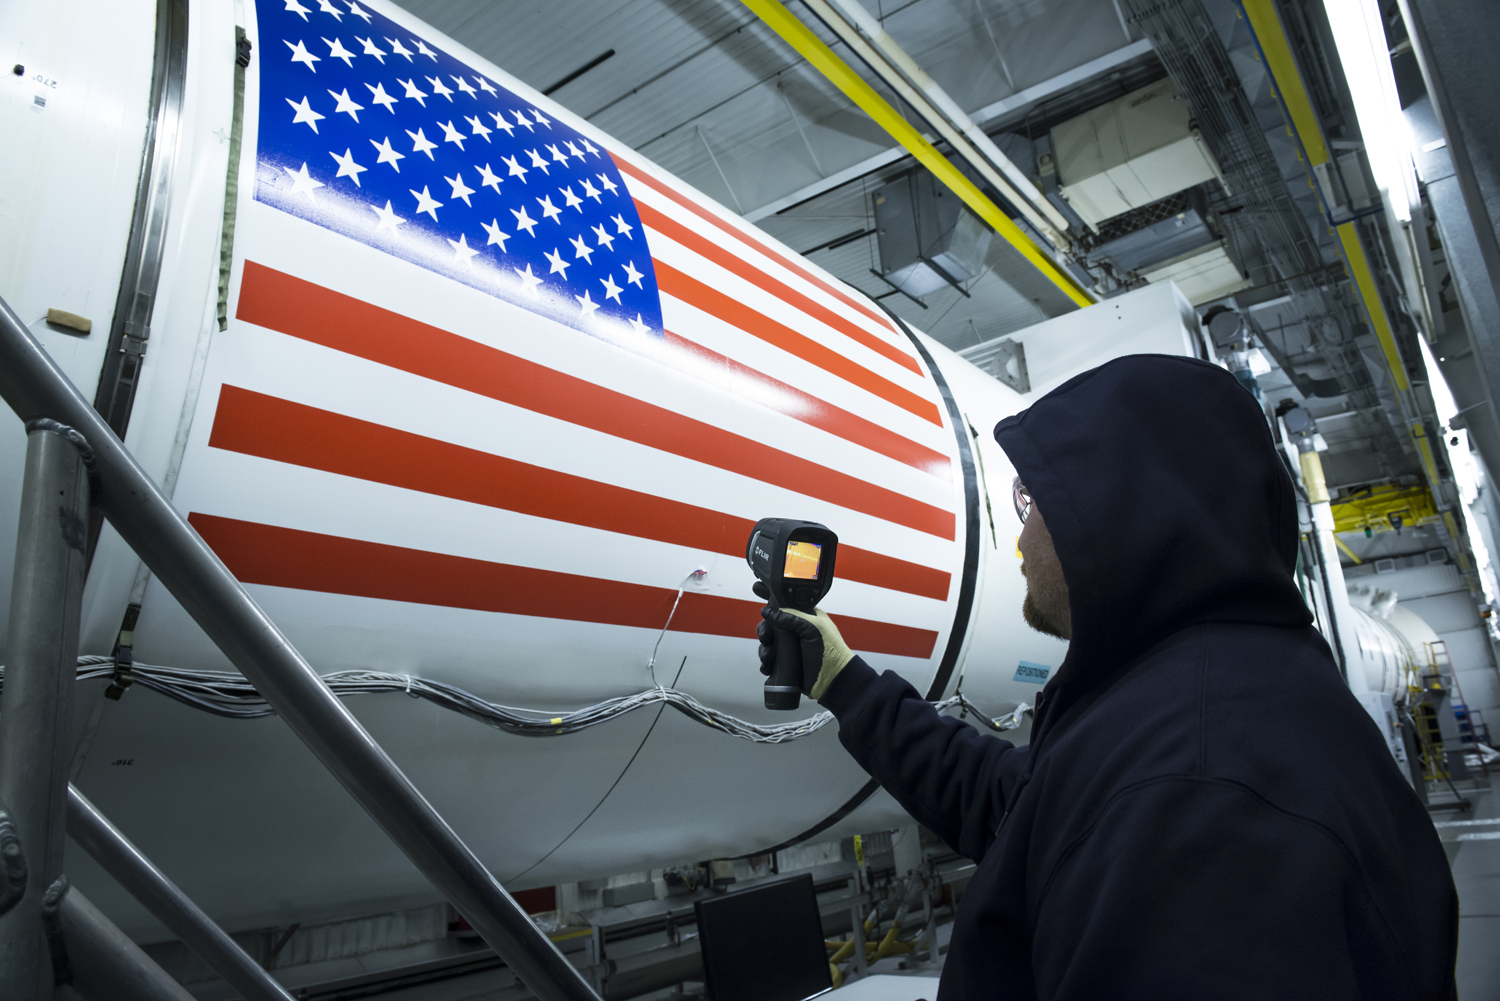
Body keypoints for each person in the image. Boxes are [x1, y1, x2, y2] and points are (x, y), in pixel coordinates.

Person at [756, 355, 1458, 1000]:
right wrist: (843, 679)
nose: (1021, 540)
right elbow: (1020, 805)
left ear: (1116, 514)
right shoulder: (1197, 692)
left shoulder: (1198, 791)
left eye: (1034, 504)